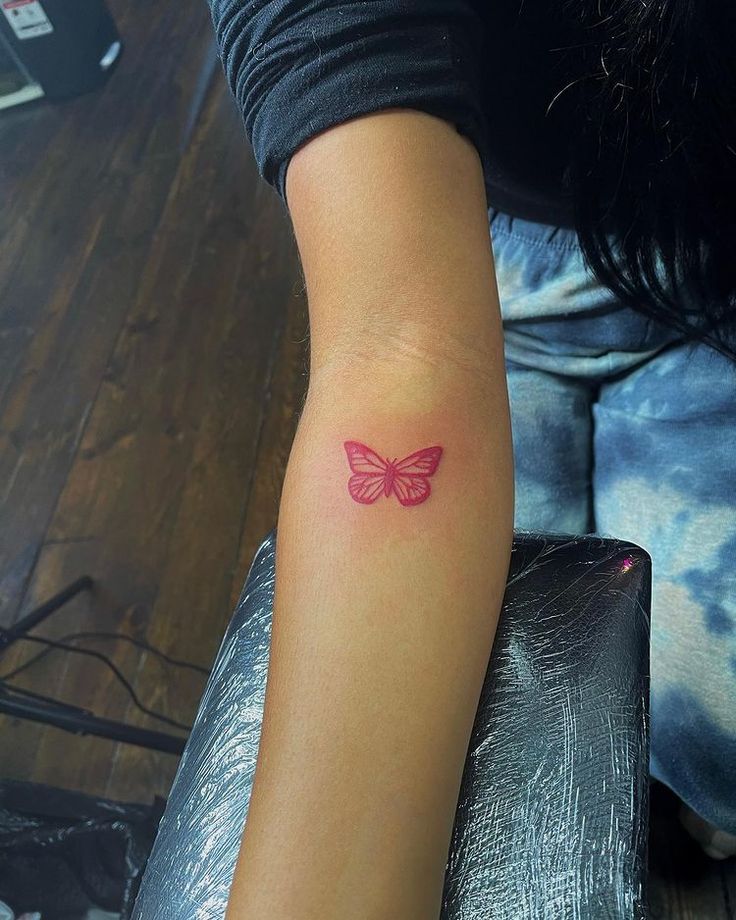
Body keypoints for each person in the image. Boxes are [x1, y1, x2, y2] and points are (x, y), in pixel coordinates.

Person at [205, 0, 736, 914]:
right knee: (511, 728)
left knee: (715, 734)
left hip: (712, 260)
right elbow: (399, 360)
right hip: (469, 263)